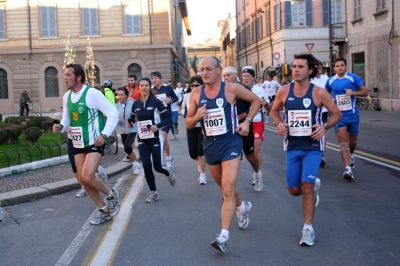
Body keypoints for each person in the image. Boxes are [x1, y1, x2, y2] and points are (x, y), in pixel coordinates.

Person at [186, 56, 260, 253]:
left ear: (219, 70)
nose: (204, 73)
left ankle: (223, 237)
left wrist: (247, 122)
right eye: (201, 69)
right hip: (210, 145)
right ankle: (242, 206)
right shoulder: (195, 94)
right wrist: (196, 117)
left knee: (227, 190)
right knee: (225, 189)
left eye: (208, 69)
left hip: (231, 143)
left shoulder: (230, 88)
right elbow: (187, 123)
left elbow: (256, 101)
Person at [271, 54, 341, 246]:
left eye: (301, 67)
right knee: (295, 190)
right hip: (292, 146)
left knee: (306, 187)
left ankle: (307, 229)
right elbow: (274, 111)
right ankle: (312, 187)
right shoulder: (284, 91)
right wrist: (279, 124)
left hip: (312, 146)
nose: (295, 70)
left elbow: (336, 113)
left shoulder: (319, 93)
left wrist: (324, 127)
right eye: (294, 67)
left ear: (310, 71)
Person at [53, 64, 120, 225]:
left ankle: (111, 194)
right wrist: (61, 126)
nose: (65, 78)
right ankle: (103, 209)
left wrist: (104, 135)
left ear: (79, 77)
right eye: (64, 75)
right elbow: (68, 117)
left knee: (88, 176)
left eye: (69, 75)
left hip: (94, 141)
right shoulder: (67, 96)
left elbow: (113, 113)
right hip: (77, 142)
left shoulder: (92, 93)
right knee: (83, 180)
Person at [127, 77, 176, 203]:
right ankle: (153, 192)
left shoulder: (156, 102)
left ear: (149, 88)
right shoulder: (136, 104)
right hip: (143, 139)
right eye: (142, 85)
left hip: (155, 138)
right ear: (139, 87)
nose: (144, 88)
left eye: (146, 86)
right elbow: (132, 118)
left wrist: (157, 126)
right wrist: (130, 123)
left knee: (158, 167)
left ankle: (168, 172)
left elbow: (168, 118)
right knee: (147, 166)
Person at [222, 66, 265, 192]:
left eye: (229, 75)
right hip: (229, 130)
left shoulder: (243, 89)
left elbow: (254, 104)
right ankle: (229, 190)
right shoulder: (221, 90)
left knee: (251, 156)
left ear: (236, 76)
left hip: (244, 126)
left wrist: (245, 118)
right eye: (224, 76)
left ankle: (257, 173)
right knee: (231, 158)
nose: (226, 78)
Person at [326, 58, 368, 181]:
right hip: (339, 116)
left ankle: (352, 155)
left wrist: (353, 93)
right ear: (334, 68)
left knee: (353, 141)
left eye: (342, 65)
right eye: (337, 66)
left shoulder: (353, 78)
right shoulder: (331, 81)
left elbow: (365, 92)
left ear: (346, 66)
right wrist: (330, 101)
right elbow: (325, 94)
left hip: (353, 114)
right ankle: (348, 169)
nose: (340, 67)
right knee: (343, 142)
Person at [53, 112, 108, 198]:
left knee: (87, 162)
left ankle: (98, 169)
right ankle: (84, 186)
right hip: (72, 137)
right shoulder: (67, 99)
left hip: (86, 135)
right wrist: (60, 126)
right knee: (74, 167)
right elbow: (66, 118)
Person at [242, 66, 270, 191]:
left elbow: (269, 107)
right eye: (243, 76)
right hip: (244, 123)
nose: (245, 78)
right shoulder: (239, 89)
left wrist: (264, 103)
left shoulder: (259, 90)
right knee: (249, 155)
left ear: (253, 77)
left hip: (257, 121)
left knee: (256, 150)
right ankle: (255, 169)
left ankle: (257, 174)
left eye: (248, 76)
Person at [181, 76, 207, 184]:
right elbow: (182, 108)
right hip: (191, 126)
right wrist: (184, 114)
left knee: (201, 151)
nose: (194, 87)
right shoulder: (187, 96)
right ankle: (201, 163)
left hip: (202, 126)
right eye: (192, 85)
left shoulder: (205, 95)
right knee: (193, 154)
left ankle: (202, 175)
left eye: (197, 85)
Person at [150, 71, 178, 168]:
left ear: (160, 79)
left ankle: (168, 159)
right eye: (152, 78)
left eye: (155, 78)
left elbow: (176, 98)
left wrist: (170, 101)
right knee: (158, 139)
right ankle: (164, 159)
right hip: (156, 117)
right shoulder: (151, 91)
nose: (154, 80)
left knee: (164, 137)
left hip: (166, 116)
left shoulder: (167, 88)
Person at [116, 87, 142, 175]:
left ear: (126, 96)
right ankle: (136, 162)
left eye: (121, 95)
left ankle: (135, 164)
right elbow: (111, 115)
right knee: (128, 149)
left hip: (133, 129)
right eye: (118, 95)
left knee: (127, 147)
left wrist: (132, 122)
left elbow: (138, 115)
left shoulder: (132, 104)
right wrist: (116, 119)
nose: (119, 97)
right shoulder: (116, 106)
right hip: (123, 130)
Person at [311, 61, 330, 167]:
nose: (318, 69)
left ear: (322, 68)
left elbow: (329, 92)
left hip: (322, 110)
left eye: (319, 67)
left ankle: (321, 154)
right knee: (311, 131)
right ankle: (312, 153)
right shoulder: (310, 79)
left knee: (321, 130)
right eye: (316, 67)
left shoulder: (326, 79)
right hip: (311, 110)